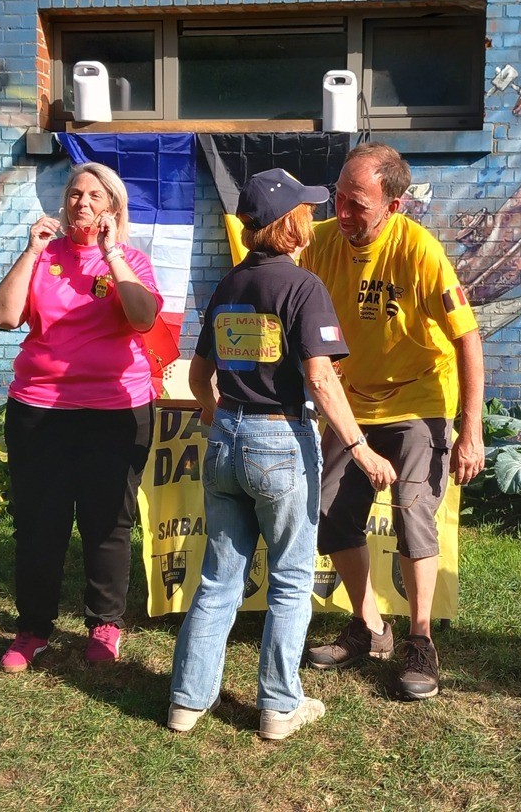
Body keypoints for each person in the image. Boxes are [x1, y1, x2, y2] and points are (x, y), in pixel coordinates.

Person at [167, 169, 397, 740]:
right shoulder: (303, 287)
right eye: (307, 211)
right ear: (290, 225)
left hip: (227, 439)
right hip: (280, 441)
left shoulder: (228, 285)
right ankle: (278, 707)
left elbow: (199, 374)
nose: (316, 218)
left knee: (218, 578)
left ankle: (186, 703)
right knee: (291, 580)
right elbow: (321, 379)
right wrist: (360, 448)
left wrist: (215, 412)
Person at [301, 142, 485, 701]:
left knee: (412, 512)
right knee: (329, 514)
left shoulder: (420, 250)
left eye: (357, 204)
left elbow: (468, 339)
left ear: (393, 206)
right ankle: (368, 626)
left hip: (418, 398)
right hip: (352, 402)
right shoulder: (321, 242)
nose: (343, 212)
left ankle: (420, 639)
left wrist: (471, 430)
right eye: (338, 198)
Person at [0, 161, 162, 672]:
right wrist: (31, 251)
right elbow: (4, 315)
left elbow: (143, 318)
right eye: (74, 194)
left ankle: (105, 624)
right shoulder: (44, 256)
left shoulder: (131, 261)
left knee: (107, 522)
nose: (81, 203)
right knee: (39, 523)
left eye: (94, 196)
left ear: (113, 208)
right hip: (40, 410)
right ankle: (33, 629)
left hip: (116, 411)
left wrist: (111, 254)